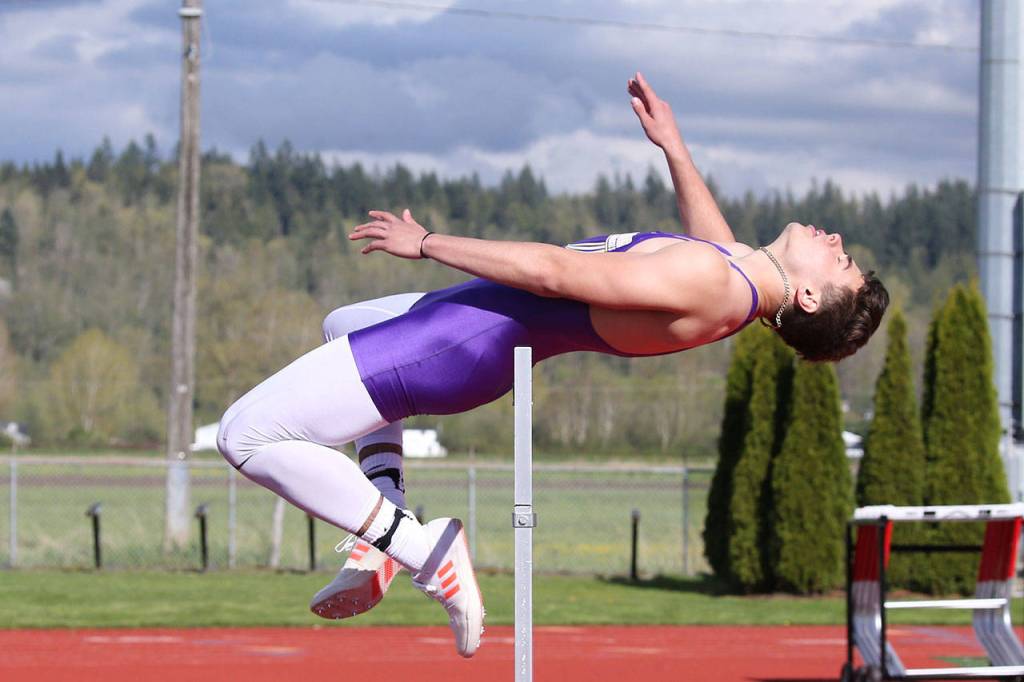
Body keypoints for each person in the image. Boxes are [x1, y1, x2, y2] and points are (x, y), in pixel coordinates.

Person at [215, 72, 888, 658]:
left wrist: (426, 243)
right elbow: (714, 242)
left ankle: (420, 550)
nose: (835, 242)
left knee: (244, 435)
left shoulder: (712, 287)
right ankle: (382, 518)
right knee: (346, 323)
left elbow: (552, 271)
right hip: (477, 319)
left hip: (466, 338)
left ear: (807, 295)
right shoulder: (736, 279)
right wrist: (673, 146)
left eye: (842, 262)